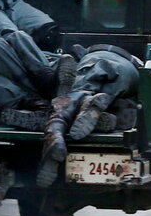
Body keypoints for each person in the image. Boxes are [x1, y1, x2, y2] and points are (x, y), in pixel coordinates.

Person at [37, 45, 141, 187]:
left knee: (80, 91)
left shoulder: (91, 56)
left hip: (100, 61)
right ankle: (91, 108)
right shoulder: (137, 65)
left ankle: (55, 129)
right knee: (104, 96)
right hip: (130, 77)